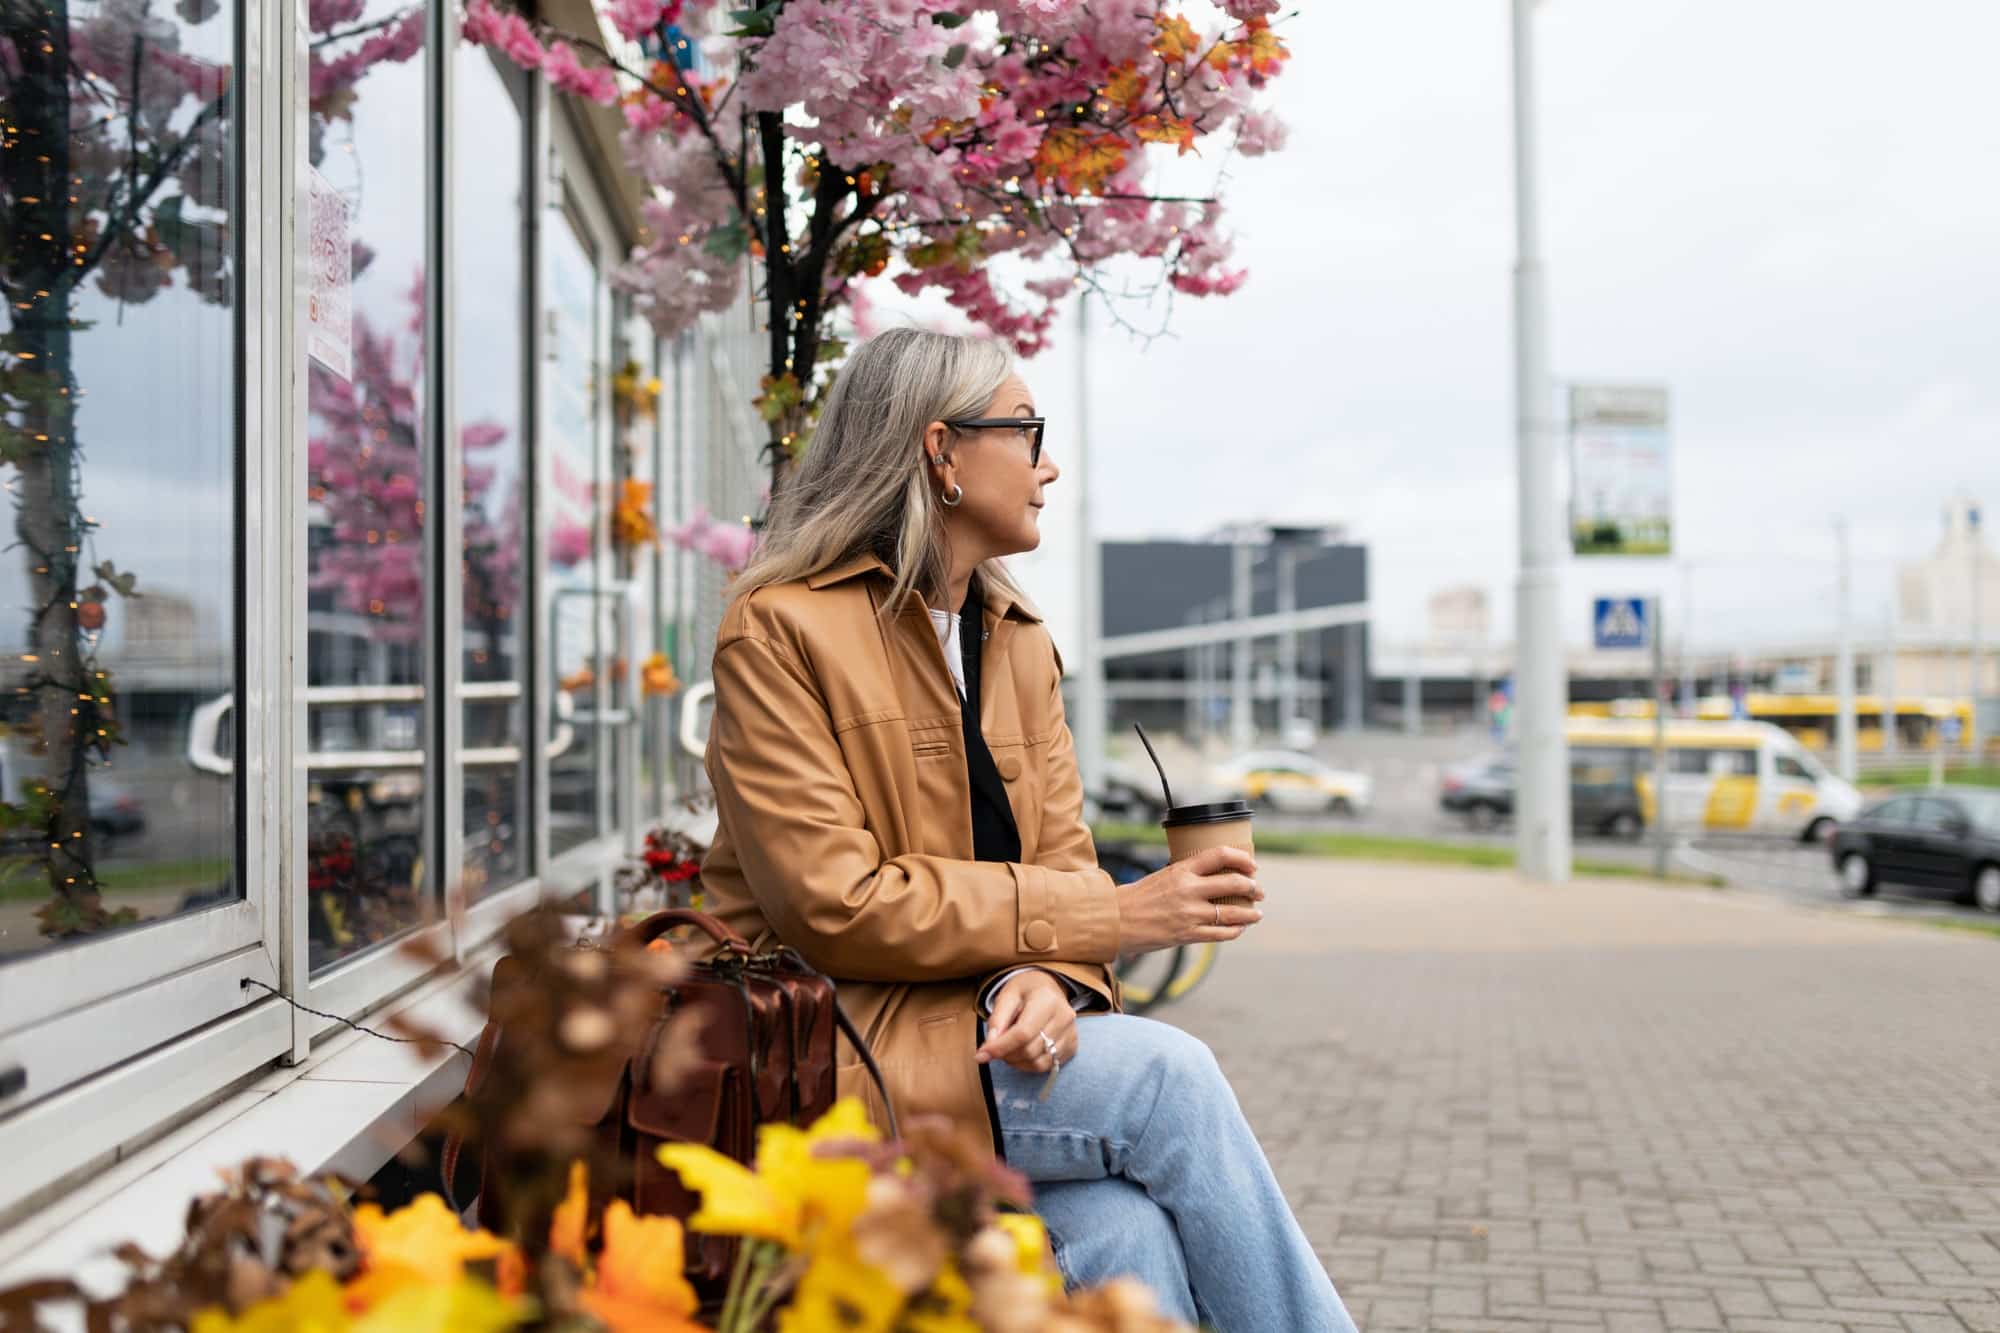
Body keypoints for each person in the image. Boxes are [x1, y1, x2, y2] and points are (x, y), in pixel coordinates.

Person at [697, 328, 1356, 1331]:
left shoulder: (1017, 640)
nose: (1048, 465)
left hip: (980, 1046)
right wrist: (1116, 916)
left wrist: (1043, 978)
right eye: (1026, 430)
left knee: (1119, 1231)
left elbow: (1060, 868)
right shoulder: (780, 629)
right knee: (1169, 1077)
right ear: (940, 451)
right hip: (829, 1053)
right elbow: (833, 903)